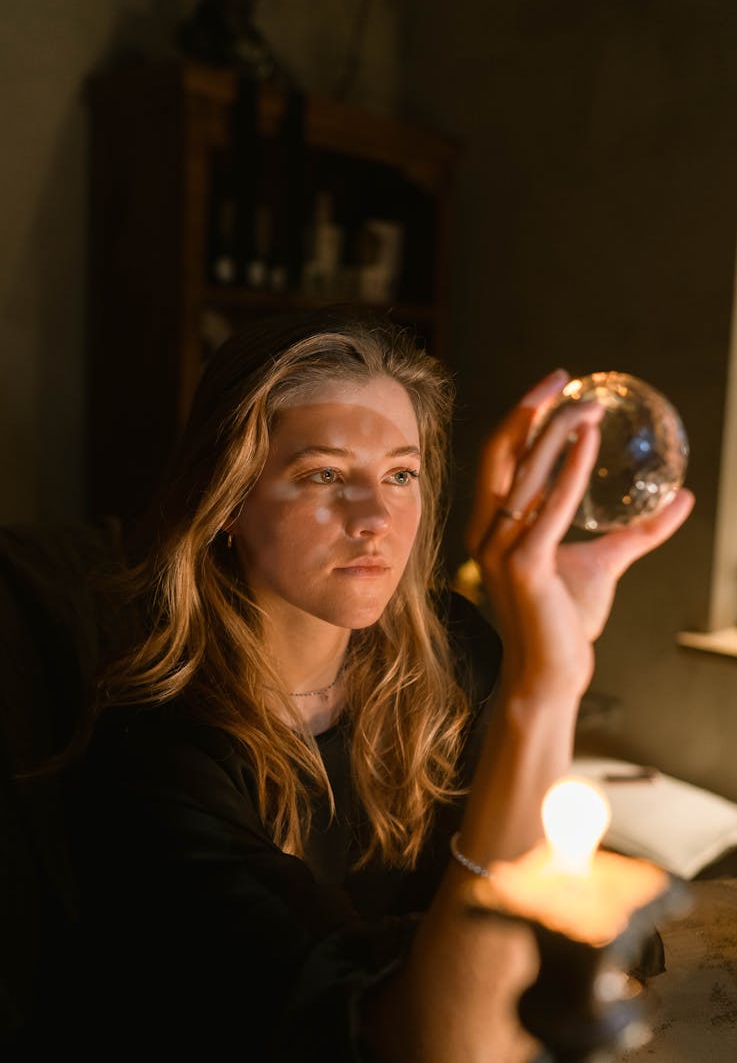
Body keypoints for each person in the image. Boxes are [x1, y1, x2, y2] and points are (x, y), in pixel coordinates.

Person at [57, 307, 693, 1061]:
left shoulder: (456, 654)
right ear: (228, 498)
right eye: (324, 474)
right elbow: (438, 1045)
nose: (377, 517)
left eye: (400, 473)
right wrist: (547, 683)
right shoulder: (157, 757)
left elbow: (563, 935)